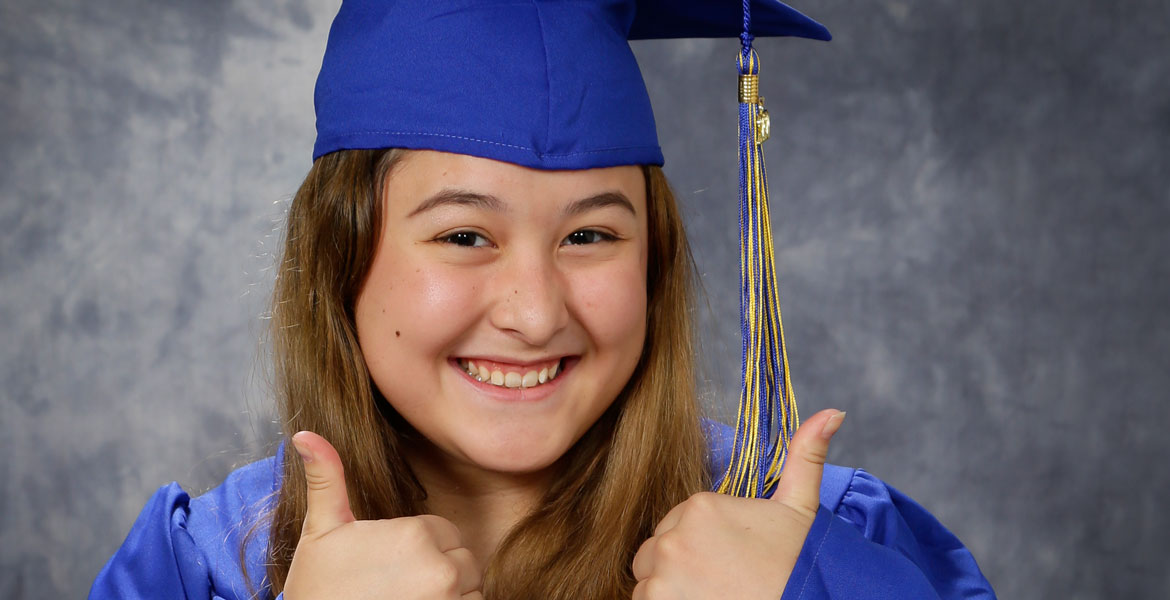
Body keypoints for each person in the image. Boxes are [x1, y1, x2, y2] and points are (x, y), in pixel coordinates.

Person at [90, 1, 996, 599]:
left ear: (656, 263)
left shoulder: (826, 547)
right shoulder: (202, 569)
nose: (534, 312)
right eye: (464, 236)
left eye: (590, 235)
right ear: (340, 259)